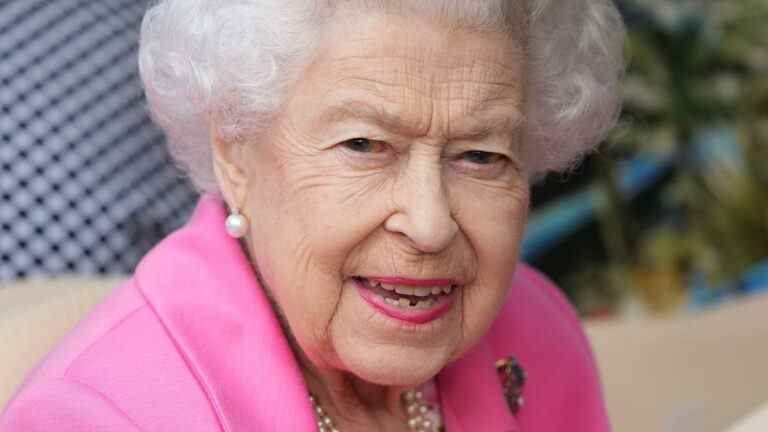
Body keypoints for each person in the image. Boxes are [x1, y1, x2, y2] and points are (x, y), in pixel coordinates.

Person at [1, 0, 625, 430]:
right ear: (235, 150)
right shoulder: (99, 417)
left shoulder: (538, 335)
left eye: (481, 156)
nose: (431, 223)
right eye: (364, 146)